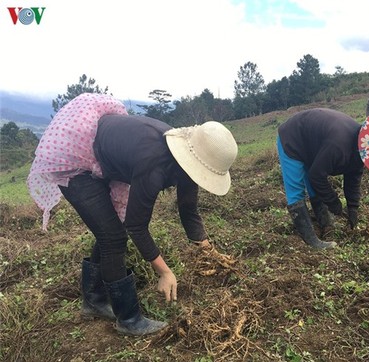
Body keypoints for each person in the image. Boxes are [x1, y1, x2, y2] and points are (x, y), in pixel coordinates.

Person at [27, 93, 238, 336]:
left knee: (109, 230)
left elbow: (188, 211)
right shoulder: (155, 163)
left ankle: (94, 300)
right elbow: (136, 226)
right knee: (113, 237)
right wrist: (165, 272)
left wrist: (210, 254)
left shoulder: (187, 161)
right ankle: (128, 319)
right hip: (76, 157)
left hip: (109, 152)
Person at [277, 108, 369, 249]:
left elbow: (353, 178)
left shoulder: (360, 146)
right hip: (293, 138)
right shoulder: (338, 146)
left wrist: (353, 208)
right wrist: (334, 202)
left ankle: (325, 222)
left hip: (314, 144)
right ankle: (311, 239)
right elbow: (316, 176)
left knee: (315, 183)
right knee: (297, 189)